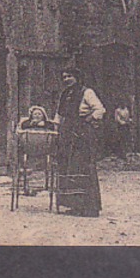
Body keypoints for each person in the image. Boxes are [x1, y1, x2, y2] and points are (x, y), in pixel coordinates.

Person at [53, 66, 106, 216]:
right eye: (64, 77)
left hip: (82, 134)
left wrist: (88, 120)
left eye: (69, 76)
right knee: (68, 166)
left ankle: (89, 207)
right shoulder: (64, 94)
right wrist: (56, 130)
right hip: (67, 133)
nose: (66, 79)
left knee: (82, 166)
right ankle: (73, 205)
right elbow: (59, 115)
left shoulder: (86, 92)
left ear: (77, 77)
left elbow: (100, 110)